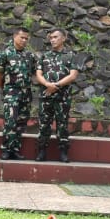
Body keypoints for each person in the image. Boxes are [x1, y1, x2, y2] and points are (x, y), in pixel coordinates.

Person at [34, 28, 78, 162]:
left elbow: (73, 75)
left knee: (62, 125)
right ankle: (42, 151)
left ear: (63, 38)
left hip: (62, 97)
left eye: (55, 37)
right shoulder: (44, 56)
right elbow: (38, 74)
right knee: (43, 125)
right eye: (51, 37)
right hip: (46, 96)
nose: (52, 40)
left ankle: (63, 152)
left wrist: (56, 86)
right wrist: (48, 85)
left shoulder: (71, 56)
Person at [0, 27, 37, 161]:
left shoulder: (30, 56)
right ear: (14, 36)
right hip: (12, 92)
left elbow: (34, 73)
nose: (24, 40)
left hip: (26, 94)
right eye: (22, 37)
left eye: (26, 38)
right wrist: (5, 88)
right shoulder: (5, 54)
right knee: (11, 121)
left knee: (21, 122)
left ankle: (15, 149)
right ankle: (6, 149)